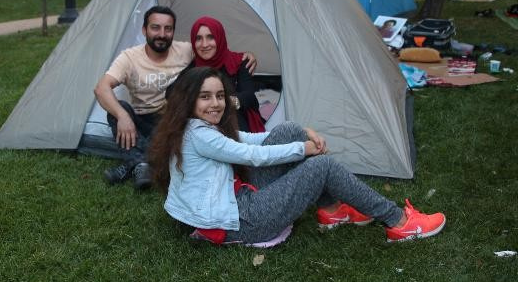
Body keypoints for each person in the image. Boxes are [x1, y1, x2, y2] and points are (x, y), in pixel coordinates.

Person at [149, 67, 446, 245]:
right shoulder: (199, 134)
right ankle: (398, 222)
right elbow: (250, 155)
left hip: (232, 206)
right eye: (205, 96)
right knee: (322, 166)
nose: (215, 103)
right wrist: (303, 149)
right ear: (189, 99)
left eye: (219, 95)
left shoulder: (193, 126)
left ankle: (332, 211)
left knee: (288, 129)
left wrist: (302, 132)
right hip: (241, 221)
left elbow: (245, 139)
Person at [94, 6, 257, 189]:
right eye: (155, 27)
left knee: (179, 125)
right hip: (145, 118)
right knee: (119, 110)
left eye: (168, 28)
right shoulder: (130, 57)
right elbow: (102, 88)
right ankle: (142, 163)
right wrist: (123, 117)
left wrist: (247, 57)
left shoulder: (188, 51)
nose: (162, 34)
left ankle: (135, 163)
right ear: (144, 30)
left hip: (170, 118)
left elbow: (245, 89)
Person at [166, 16, 264, 132]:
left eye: (210, 37)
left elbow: (249, 97)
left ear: (219, 38)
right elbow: (171, 93)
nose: (204, 44)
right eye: (198, 38)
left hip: (236, 123)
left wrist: (222, 103)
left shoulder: (240, 61)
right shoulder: (194, 67)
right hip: (204, 126)